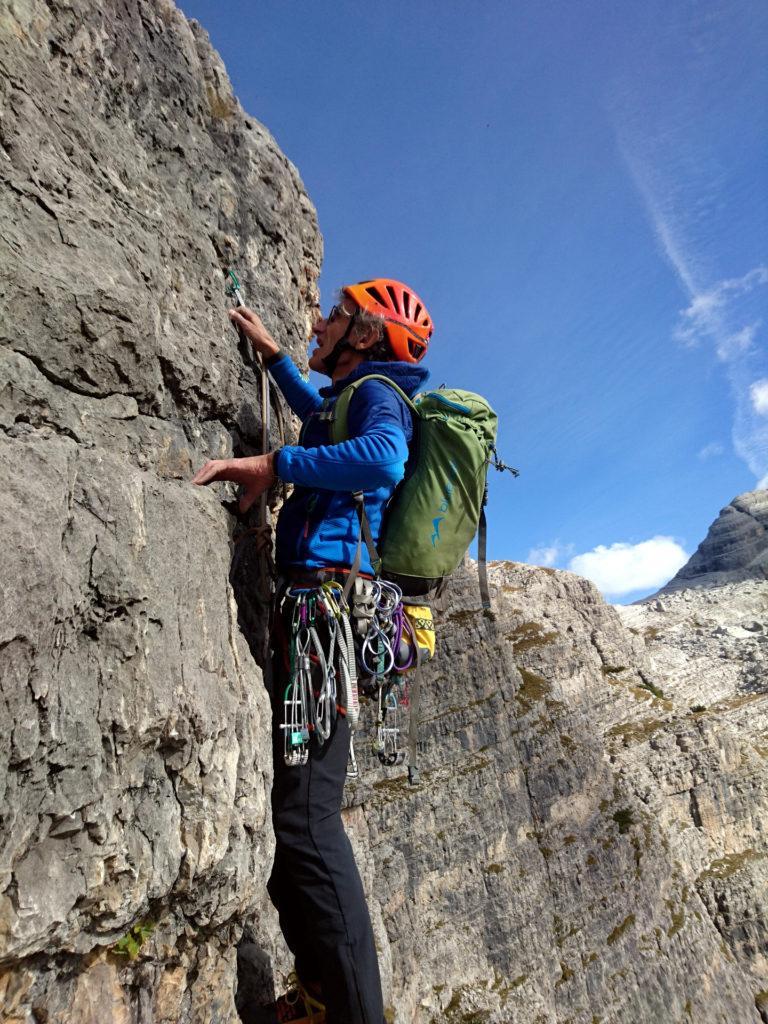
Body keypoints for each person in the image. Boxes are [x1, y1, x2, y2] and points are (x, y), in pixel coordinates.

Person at [192, 279, 433, 1023]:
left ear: (364, 335)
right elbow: (319, 420)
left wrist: (276, 468)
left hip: (325, 618)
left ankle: (352, 1012)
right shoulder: (348, 396)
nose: (319, 323)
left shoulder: (380, 397)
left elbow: (382, 459)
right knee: (294, 816)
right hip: (315, 616)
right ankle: (323, 994)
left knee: (306, 820)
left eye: (334, 315)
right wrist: (274, 362)